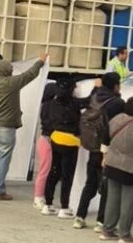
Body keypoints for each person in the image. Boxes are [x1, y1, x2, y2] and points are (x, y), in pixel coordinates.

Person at [0, 54, 48, 201]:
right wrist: (40, 61)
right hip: (6, 128)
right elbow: (30, 74)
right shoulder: (13, 83)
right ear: (7, 70)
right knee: (3, 159)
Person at [99, 95, 133, 243]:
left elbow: (105, 140)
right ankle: (124, 235)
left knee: (112, 200)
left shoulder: (115, 120)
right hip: (131, 170)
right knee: (129, 203)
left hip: (112, 165)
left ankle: (107, 230)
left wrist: (104, 157)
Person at [75, 72, 124, 231]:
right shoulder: (117, 103)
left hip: (93, 147)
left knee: (90, 183)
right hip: (108, 149)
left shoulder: (95, 97)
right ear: (116, 85)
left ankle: (80, 216)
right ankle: (101, 221)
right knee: (107, 186)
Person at [42, 80, 84, 218]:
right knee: (67, 175)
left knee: (54, 171)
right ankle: (64, 207)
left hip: (56, 138)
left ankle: (48, 204)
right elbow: (88, 101)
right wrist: (96, 88)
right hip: (70, 141)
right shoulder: (74, 103)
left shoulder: (53, 103)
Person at [33, 81, 58, 211]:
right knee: (44, 170)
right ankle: (38, 197)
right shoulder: (50, 106)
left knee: (45, 170)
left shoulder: (44, 105)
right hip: (47, 140)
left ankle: (40, 196)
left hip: (44, 139)